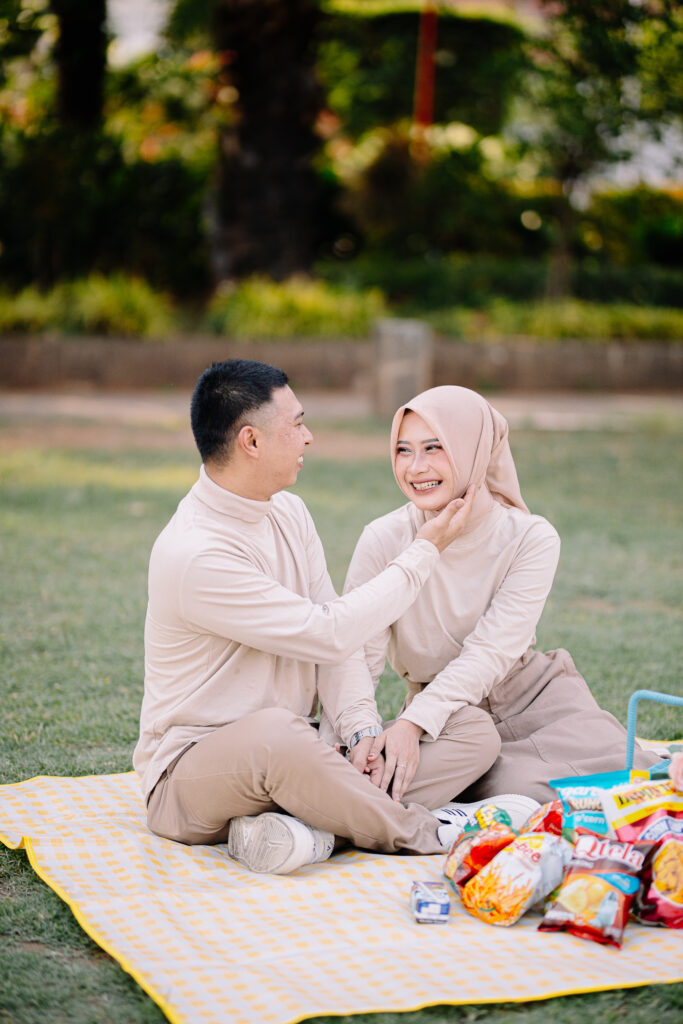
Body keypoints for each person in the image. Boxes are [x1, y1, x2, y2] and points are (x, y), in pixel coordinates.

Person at [133, 361, 534, 877]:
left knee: (471, 731)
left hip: (307, 750)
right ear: (251, 442)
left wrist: (361, 730)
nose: (309, 437)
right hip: (194, 777)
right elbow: (331, 631)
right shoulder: (197, 554)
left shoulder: (288, 511)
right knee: (276, 736)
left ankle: (309, 834)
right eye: (296, 424)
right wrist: (423, 550)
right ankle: (428, 832)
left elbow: (337, 647)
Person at [343, 385, 658, 805]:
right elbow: (356, 653)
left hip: (536, 700)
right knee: (490, 786)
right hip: (447, 717)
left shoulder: (531, 537)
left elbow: (490, 652)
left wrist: (412, 724)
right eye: (404, 450)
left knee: (627, 781)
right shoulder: (383, 538)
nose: (416, 468)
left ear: (473, 447)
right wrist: (358, 735)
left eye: (434, 448)